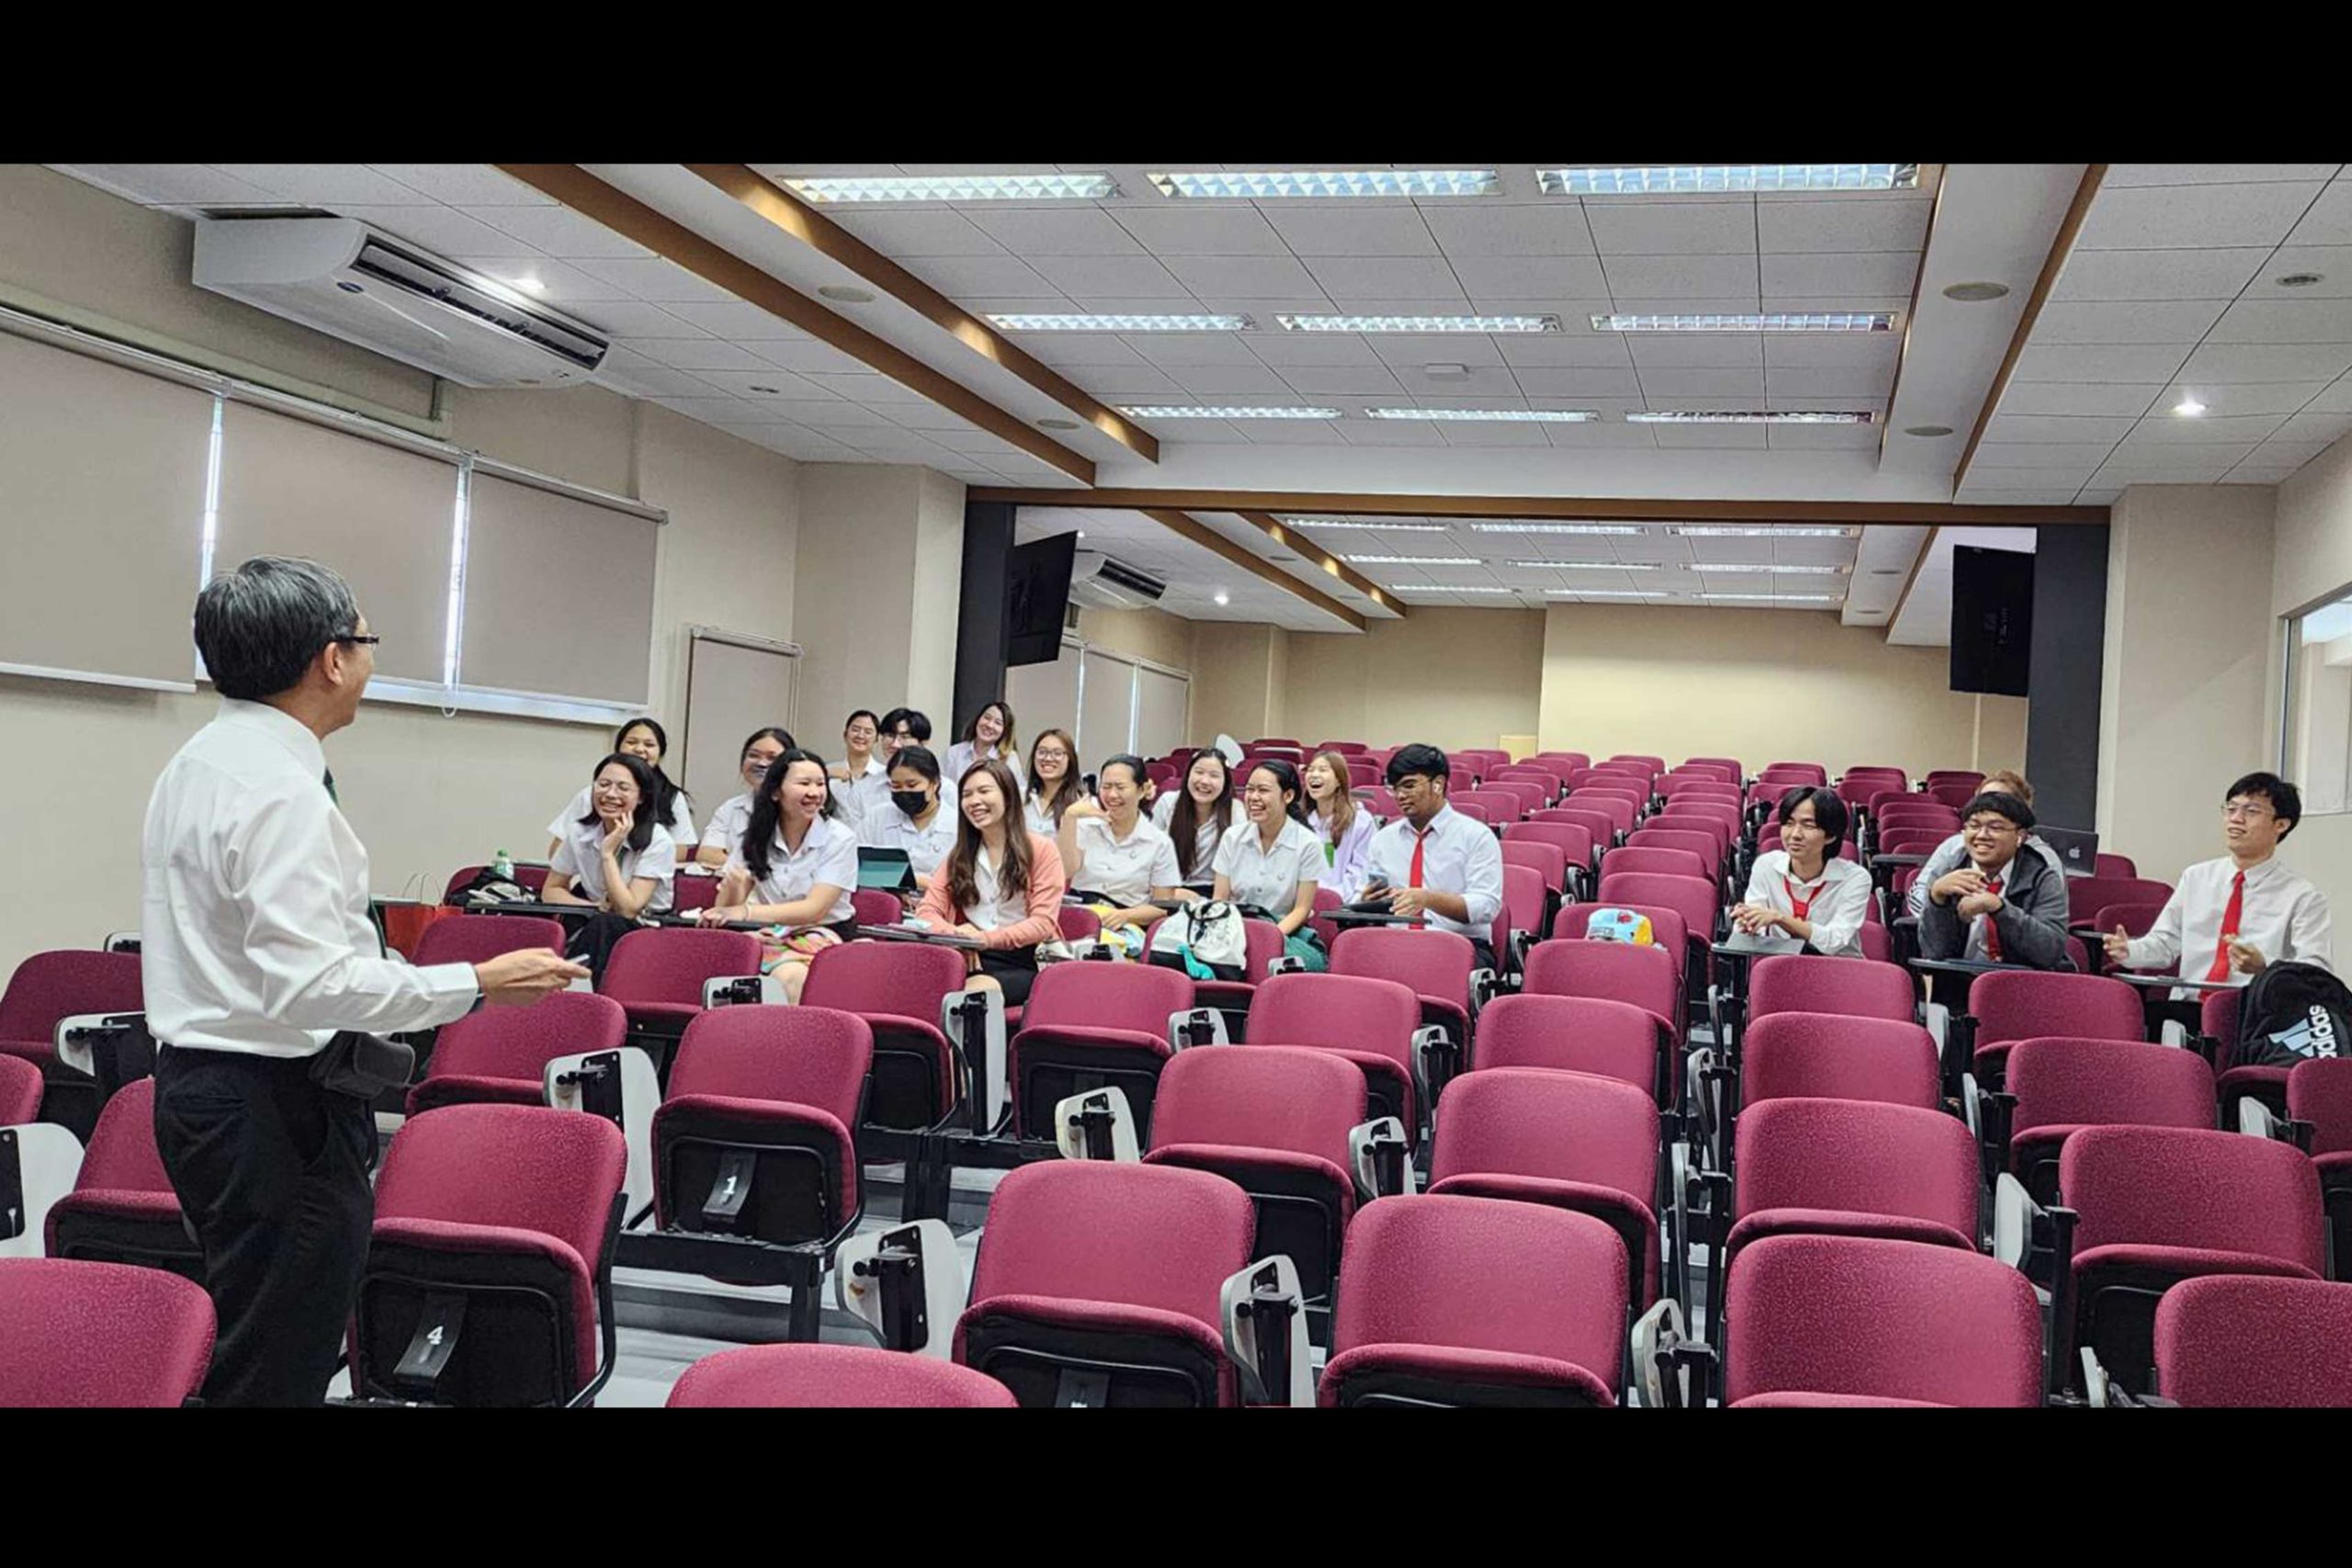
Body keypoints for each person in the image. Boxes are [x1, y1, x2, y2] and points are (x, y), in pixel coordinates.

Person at [145, 556, 584, 1406]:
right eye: (366, 639)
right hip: (277, 1107)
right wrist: (476, 982)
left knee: (251, 1337)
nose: (372, 660)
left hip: (204, 1086)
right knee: (278, 1362)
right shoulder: (279, 790)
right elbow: (312, 987)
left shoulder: (200, 762)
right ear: (331, 658)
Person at [2106, 772, 2333, 986]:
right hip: (2189, 1002)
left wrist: (2266, 966)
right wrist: (2130, 951)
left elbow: (2316, 970)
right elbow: (2165, 944)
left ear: (2281, 825)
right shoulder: (2196, 877)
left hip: (2254, 1006)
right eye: (2231, 808)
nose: (2236, 819)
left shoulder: (2302, 896)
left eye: (2251, 811)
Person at [699, 749, 857, 1003]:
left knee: (787, 976)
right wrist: (733, 891)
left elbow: (814, 909)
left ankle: (779, 1030)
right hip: (768, 932)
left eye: (820, 784)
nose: (814, 793)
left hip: (822, 934)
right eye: (804, 784)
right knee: (714, 963)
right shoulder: (755, 835)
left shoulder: (839, 838)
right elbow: (726, 910)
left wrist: (745, 911)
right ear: (775, 792)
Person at [913, 757, 1068, 1006]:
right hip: (966, 955)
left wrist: (985, 939)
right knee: (915, 989)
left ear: (1008, 796)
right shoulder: (959, 855)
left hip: (1022, 961)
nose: (974, 801)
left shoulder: (1042, 850)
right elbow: (926, 912)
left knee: (962, 999)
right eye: (967, 795)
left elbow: (1042, 923)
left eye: (984, 791)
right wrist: (957, 935)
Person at [1362, 743, 1505, 970]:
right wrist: (1367, 901)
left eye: (1409, 786)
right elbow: (1366, 892)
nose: (1400, 796)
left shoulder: (1476, 836)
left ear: (1438, 784)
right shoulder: (1383, 839)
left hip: (1458, 944)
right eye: (1394, 788)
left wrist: (1428, 899)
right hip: (1395, 942)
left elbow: (1486, 906)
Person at [540, 751, 680, 979]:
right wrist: (592, 905)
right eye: (603, 785)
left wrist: (607, 854)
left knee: (605, 925)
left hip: (646, 930)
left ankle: (566, 987)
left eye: (623, 788)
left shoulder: (658, 841)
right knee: (592, 924)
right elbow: (551, 889)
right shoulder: (580, 831)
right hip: (596, 923)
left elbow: (628, 909)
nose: (610, 794)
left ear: (641, 797)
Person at [1917, 789, 2072, 968]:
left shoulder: (2041, 877)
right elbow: (1934, 952)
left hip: (2022, 980)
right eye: (1974, 826)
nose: (1982, 835)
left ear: (2020, 837)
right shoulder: (1947, 872)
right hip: (1957, 979)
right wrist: (1937, 900)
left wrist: (1999, 908)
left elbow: (2049, 952)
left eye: (1995, 828)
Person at [1214, 759, 1327, 971]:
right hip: (1235, 930)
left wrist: (1267, 939)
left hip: (1285, 932)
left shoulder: (1308, 844)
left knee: (1297, 963)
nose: (1253, 797)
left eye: (1263, 790)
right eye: (1250, 790)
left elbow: (1302, 909)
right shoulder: (1232, 837)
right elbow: (1219, 899)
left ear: (1288, 796)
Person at [1905, 768, 2064, 919]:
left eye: (2002, 802)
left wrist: (1997, 911)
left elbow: (2048, 919)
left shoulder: (2043, 858)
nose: (1990, 807)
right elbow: (1919, 893)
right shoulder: (1955, 846)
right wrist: (1939, 906)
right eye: (1984, 800)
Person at [1732, 786, 1871, 957]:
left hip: (1838, 966)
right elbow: (1756, 921)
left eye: (1808, 825)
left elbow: (1834, 941)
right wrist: (1748, 923)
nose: (1795, 834)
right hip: (1783, 963)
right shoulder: (1766, 865)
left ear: (1831, 835)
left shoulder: (1855, 878)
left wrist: (1780, 918)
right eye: (1789, 824)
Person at [1058, 753, 1183, 931]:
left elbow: (1162, 907)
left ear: (1142, 790)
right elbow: (1066, 871)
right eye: (1106, 787)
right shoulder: (1084, 827)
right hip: (1079, 916)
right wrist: (1070, 817)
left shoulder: (1159, 843)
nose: (1112, 795)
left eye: (1120, 787)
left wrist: (1125, 916)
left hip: (1125, 923)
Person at [547, 716, 695, 864]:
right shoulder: (591, 794)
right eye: (631, 742)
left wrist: (633, 864)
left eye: (649, 745)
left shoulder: (672, 797)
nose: (639, 749)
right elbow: (559, 849)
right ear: (618, 748)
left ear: (661, 753)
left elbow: (680, 851)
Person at [856, 743, 956, 909]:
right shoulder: (877, 817)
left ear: (935, 784)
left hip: (941, 909)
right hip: (883, 908)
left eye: (912, 785)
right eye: (896, 786)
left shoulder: (957, 824)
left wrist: (929, 885)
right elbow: (855, 865)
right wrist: (900, 883)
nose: (904, 792)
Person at [696, 726, 795, 869]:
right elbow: (706, 854)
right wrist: (752, 871)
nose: (762, 763)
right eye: (754, 755)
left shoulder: (801, 808)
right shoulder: (731, 808)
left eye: (772, 758)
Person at [1155, 749, 1245, 886]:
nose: (1204, 781)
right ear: (1188, 775)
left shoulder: (1235, 810)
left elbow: (1239, 865)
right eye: (1199, 772)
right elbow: (1151, 853)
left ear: (1225, 782)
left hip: (1214, 889)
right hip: (1169, 887)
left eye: (1214, 775)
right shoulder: (1168, 802)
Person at [1304, 749, 1379, 902]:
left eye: (1323, 770)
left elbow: (1361, 872)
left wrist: (1329, 898)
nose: (1314, 774)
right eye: (1310, 770)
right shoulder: (1300, 821)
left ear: (1339, 780)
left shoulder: (1361, 821)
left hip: (1345, 903)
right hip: (1301, 902)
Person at [860, 706, 933, 820]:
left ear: (922, 743)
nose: (895, 744)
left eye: (904, 737)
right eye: (890, 735)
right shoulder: (863, 789)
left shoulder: (944, 788)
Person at [942, 699, 1023, 791]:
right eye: (987, 718)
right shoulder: (953, 753)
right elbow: (942, 789)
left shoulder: (1010, 758)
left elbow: (1016, 793)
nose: (989, 725)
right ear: (978, 719)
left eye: (998, 723)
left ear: (1005, 731)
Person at [1023, 728, 1085, 837]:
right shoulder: (1021, 797)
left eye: (1057, 753)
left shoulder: (1080, 803)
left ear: (1070, 759)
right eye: (1042, 752)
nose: (1048, 758)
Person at [827, 709, 883, 825]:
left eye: (868, 732)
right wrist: (824, 774)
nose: (860, 735)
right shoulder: (828, 771)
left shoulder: (884, 775)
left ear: (877, 739)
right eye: (855, 730)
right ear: (845, 735)